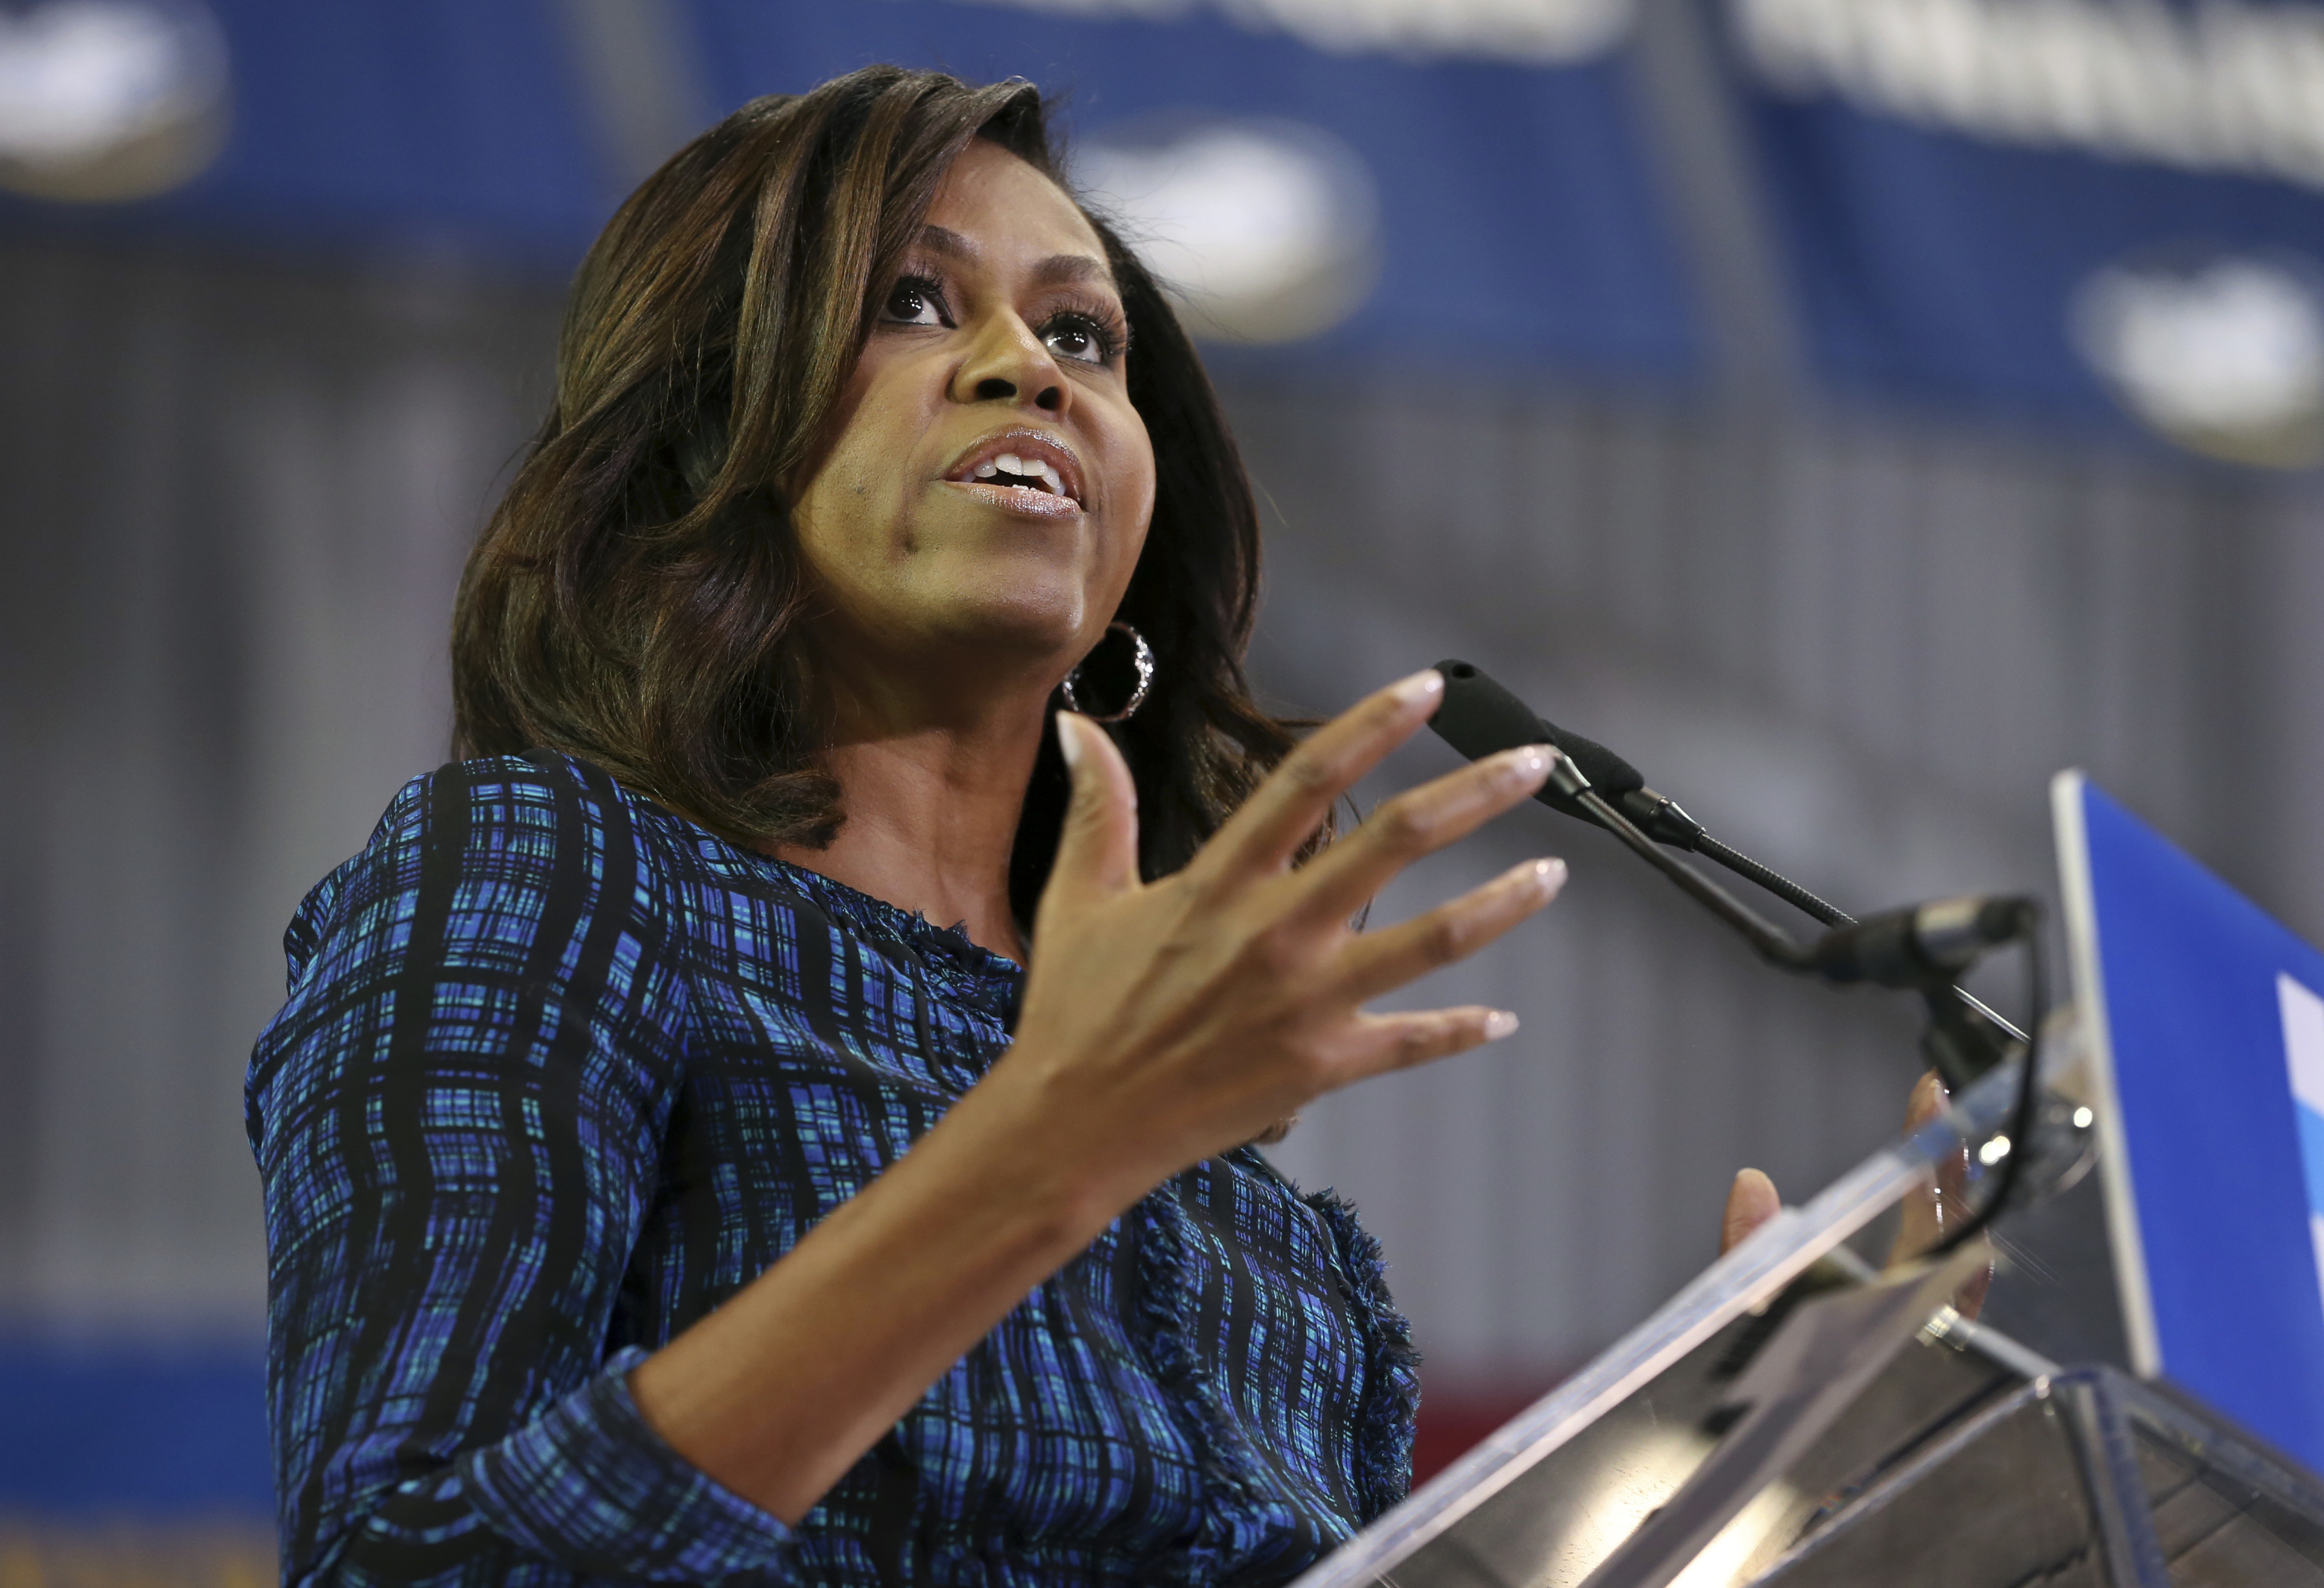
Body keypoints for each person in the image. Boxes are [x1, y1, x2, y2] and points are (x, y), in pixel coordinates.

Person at [246, 64, 1971, 1588]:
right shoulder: (547, 877)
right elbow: (419, 1560)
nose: (1026, 365)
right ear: (711, 436)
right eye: (914, 304)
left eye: (1083, 336)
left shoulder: (1270, 1241)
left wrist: (1765, 1495)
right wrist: (1039, 1161)